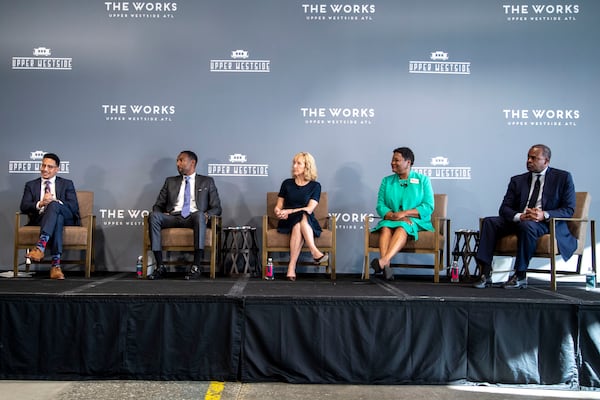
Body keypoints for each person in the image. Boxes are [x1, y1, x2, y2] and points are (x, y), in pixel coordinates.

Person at [474, 144, 576, 289]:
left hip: (546, 224)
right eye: (528, 157)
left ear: (546, 161)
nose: (529, 160)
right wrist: (520, 216)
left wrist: (543, 214)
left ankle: (520, 275)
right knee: (489, 222)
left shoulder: (563, 178)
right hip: (522, 220)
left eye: (534, 158)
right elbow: (504, 209)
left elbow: (568, 209)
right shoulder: (517, 180)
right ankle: (485, 273)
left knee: (527, 226)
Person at [148, 150, 222, 280]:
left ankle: (196, 266)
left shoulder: (207, 182)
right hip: (173, 217)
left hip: (194, 217)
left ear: (192, 163)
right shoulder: (170, 181)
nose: (178, 163)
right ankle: (160, 266)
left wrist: (207, 215)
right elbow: (158, 204)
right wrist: (160, 212)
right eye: (177, 161)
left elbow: (217, 208)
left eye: (181, 160)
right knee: (154, 216)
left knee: (199, 215)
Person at [370, 147, 434, 281]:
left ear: (408, 162)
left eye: (396, 160)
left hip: (415, 220)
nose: (392, 163)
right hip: (391, 218)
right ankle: (385, 265)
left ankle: (383, 261)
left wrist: (404, 213)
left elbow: (428, 206)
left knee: (402, 226)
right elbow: (380, 205)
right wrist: (392, 215)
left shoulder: (423, 180)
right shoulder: (387, 181)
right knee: (386, 227)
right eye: (392, 160)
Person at [20, 153, 80, 280]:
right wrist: (41, 203)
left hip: (67, 216)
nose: (45, 169)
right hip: (42, 218)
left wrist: (54, 202)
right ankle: (55, 266)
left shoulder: (67, 184)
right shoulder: (31, 185)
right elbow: (24, 206)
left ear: (57, 169)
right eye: (43, 165)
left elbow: (74, 207)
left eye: (50, 166)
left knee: (54, 206)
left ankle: (40, 247)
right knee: (57, 219)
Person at [274, 152, 328, 281]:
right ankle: (314, 251)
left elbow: (310, 208)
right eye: (294, 163)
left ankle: (291, 267)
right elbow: (278, 205)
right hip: (287, 220)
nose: (294, 166)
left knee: (300, 220)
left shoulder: (315, 186)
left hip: (306, 219)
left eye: (299, 163)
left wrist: (290, 211)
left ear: (307, 167)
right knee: (299, 219)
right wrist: (278, 212)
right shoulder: (287, 183)